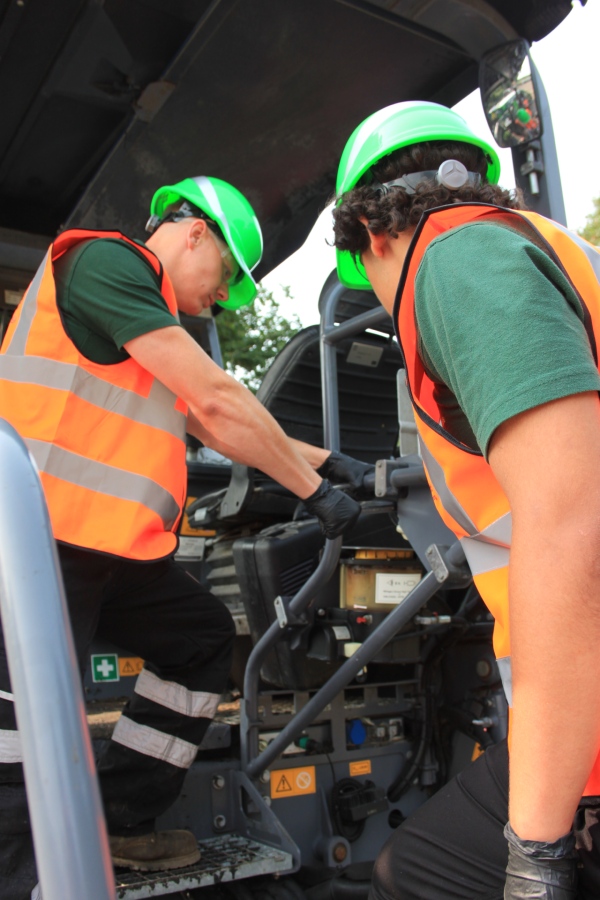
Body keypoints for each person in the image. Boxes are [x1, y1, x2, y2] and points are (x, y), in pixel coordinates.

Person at [0, 175, 364, 900]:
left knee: (199, 635)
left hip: (102, 549)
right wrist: (315, 495)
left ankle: (120, 820)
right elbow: (216, 401)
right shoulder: (106, 264)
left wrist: (333, 462)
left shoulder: (149, 319)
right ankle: (24, 873)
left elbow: (204, 420)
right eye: (226, 278)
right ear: (194, 230)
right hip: (31, 538)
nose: (222, 300)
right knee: (22, 720)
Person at [331, 101, 600, 899]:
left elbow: (569, 523)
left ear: (375, 234)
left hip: (588, 729)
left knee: (411, 877)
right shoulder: (553, 249)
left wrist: (539, 853)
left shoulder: (454, 260)